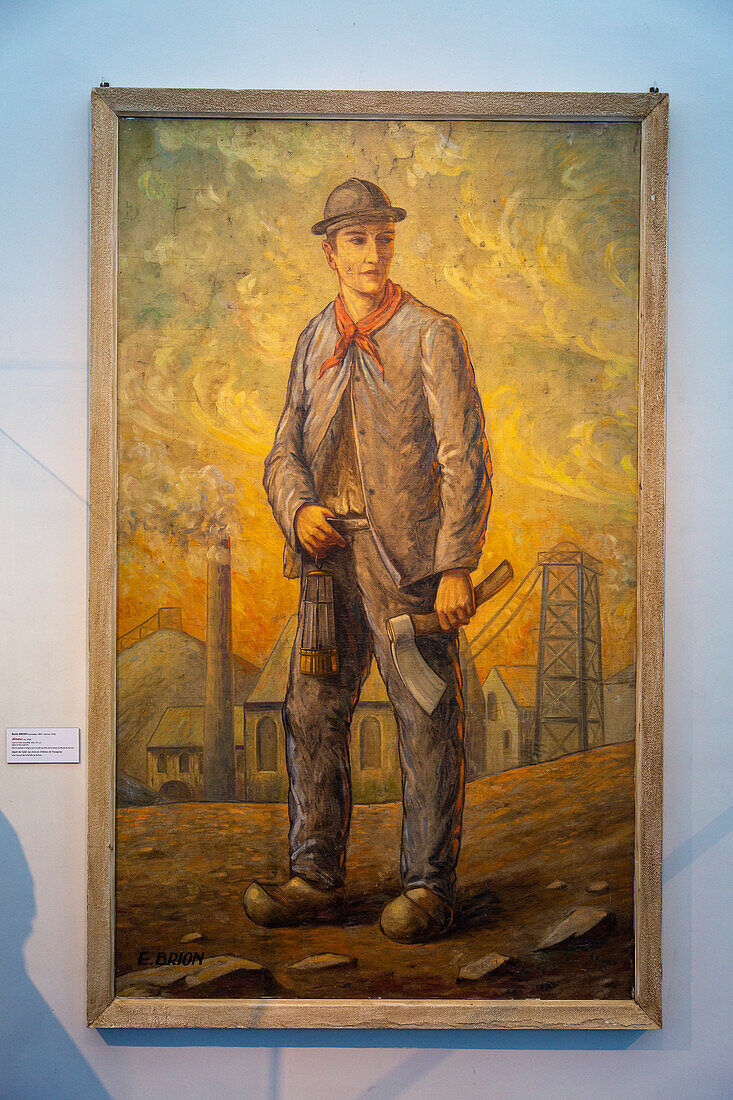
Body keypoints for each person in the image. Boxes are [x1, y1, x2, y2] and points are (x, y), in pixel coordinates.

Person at [243, 178, 491, 943]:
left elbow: (464, 458)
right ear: (331, 251)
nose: (373, 253)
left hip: (408, 568)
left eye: (383, 237)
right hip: (326, 567)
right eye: (357, 239)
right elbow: (284, 451)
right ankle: (314, 876)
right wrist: (297, 510)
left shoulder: (431, 333)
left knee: (423, 713)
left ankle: (427, 887)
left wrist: (455, 566)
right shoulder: (315, 338)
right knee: (312, 712)